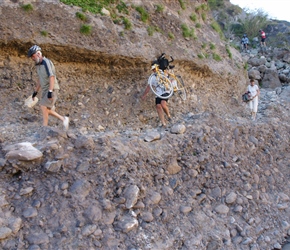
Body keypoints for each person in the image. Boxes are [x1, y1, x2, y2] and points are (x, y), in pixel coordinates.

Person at [27, 45, 69, 130]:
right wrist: (35, 92)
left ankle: (44, 128)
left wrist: (50, 91)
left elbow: (52, 76)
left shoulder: (46, 62)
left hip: (52, 88)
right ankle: (63, 119)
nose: (32, 58)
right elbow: (40, 79)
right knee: (46, 110)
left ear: (38, 54)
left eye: (33, 56)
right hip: (45, 90)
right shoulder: (38, 65)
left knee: (43, 106)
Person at [141, 63, 172, 127]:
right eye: (153, 69)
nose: (154, 70)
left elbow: (168, 78)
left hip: (165, 90)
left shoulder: (163, 73)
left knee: (163, 103)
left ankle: (168, 115)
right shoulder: (152, 78)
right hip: (158, 93)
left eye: (155, 68)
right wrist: (144, 95)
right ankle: (163, 123)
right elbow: (149, 87)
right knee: (158, 106)